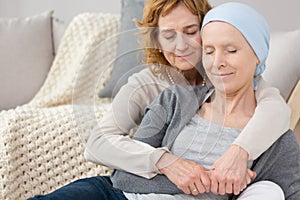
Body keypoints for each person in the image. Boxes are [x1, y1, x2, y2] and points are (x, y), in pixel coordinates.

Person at [29, 1, 292, 199]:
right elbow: (102, 147)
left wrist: (239, 153)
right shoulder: (153, 86)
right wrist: (170, 163)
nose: (181, 47)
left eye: (191, 31)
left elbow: (277, 111)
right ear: (157, 40)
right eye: (168, 36)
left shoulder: (241, 84)